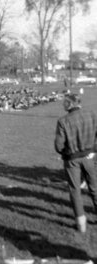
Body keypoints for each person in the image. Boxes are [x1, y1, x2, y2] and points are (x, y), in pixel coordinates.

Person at [54, 92, 97, 233]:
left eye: (64, 102)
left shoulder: (63, 121)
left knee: (75, 190)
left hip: (72, 160)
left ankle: (81, 225)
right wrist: (93, 150)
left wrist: (67, 152)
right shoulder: (92, 114)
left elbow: (59, 146)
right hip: (89, 157)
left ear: (70, 104)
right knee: (94, 188)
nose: (62, 105)